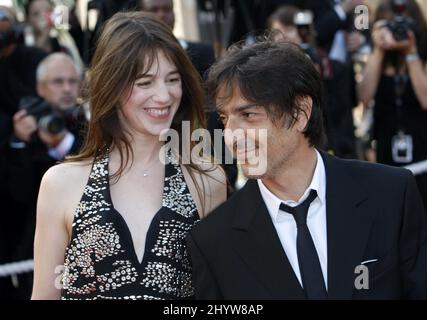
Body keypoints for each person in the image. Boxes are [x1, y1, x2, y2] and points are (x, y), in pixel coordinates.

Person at [187, 40, 427, 299]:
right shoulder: (213, 241)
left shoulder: (390, 194)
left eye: (248, 115)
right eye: (225, 119)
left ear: (300, 113)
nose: (230, 137)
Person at [31, 11, 226, 300]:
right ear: (112, 85)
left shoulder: (207, 178)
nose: (163, 96)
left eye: (172, 80)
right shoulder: (61, 184)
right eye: (145, 82)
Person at [357, 0, 427, 208]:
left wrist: (411, 52)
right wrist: (378, 50)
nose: (396, 31)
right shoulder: (377, 56)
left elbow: (425, 100)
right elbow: (364, 96)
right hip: (386, 153)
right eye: (389, 25)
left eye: (403, 24)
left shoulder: (422, 56)